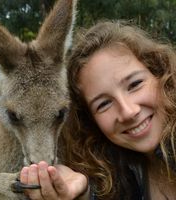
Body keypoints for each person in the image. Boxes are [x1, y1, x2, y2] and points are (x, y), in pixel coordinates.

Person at [20, 20, 176, 200]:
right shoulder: (125, 168)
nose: (128, 111)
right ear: (90, 122)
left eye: (134, 84)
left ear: (160, 73)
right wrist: (86, 194)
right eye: (103, 104)